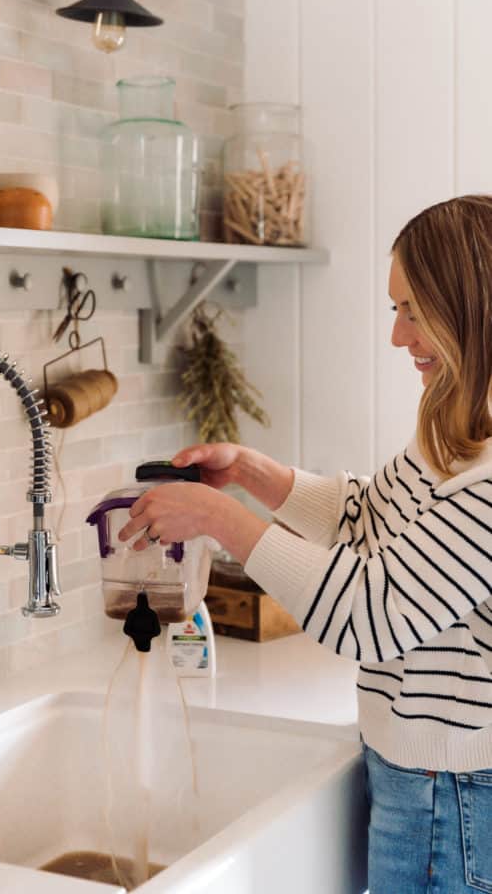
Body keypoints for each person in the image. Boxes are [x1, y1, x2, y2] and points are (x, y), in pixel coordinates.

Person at [118, 195, 492, 894]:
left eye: (413, 311)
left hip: (459, 796)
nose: (398, 337)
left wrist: (218, 517)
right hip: (426, 779)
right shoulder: (456, 429)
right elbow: (366, 517)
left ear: (468, 308)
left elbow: (372, 617)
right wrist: (255, 476)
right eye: (395, 311)